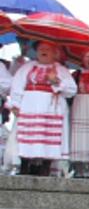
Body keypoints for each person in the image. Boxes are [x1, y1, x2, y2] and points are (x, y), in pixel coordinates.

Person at [7, 41, 74, 176]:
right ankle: (24, 165)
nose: (44, 51)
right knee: (27, 134)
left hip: (50, 108)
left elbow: (72, 90)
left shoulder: (61, 70)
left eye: (47, 49)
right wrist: (15, 104)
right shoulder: (27, 67)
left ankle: (45, 166)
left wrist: (56, 81)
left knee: (47, 135)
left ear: (54, 53)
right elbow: (17, 86)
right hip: (29, 105)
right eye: (41, 49)